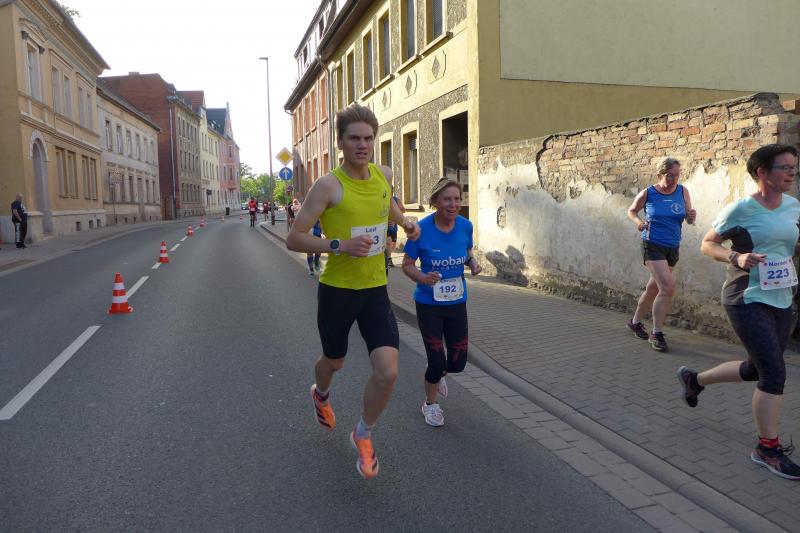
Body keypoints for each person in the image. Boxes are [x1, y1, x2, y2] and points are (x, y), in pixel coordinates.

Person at [286, 103, 420, 480]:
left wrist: (404, 222)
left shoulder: (384, 174)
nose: (362, 145)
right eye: (354, 139)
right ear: (341, 143)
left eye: (368, 138)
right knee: (334, 362)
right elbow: (294, 238)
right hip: (337, 291)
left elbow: (386, 204)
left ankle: (363, 433)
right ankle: (321, 393)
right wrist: (339, 245)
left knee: (388, 372)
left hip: (375, 289)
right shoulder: (328, 186)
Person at [678, 144, 800, 480]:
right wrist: (737, 257)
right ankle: (767, 449)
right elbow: (707, 243)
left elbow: (788, 245)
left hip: (782, 296)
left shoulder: (793, 206)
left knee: (754, 368)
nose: (792, 172)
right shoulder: (741, 210)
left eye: (794, 167)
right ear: (762, 172)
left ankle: (694, 380)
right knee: (773, 373)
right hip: (746, 297)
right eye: (785, 167)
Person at [402, 178, 481, 427]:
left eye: (457, 199)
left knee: (457, 362)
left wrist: (472, 263)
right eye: (447, 199)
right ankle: (430, 404)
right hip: (429, 304)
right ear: (435, 202)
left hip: (457, 302)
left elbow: (466, 251)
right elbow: (406, 265)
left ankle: (438, 370)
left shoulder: (466, 226)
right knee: (437, 363)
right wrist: (423, 278)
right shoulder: (421, 230)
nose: (453, 204)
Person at [626, 157, 696, 351]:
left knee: (653, 289)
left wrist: (691, 217)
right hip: (652, 244)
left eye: (677, 175)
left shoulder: (683, 191)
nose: (674, 179)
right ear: (660, 175)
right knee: (667, 288)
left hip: (672, 246)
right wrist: (639, 223)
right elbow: (631, 211)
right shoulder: (648, 193)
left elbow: (688, 218)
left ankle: (635, 322)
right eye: (669, 175)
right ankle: (656, 333)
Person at [385, 189, 406, 270]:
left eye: (391, 191)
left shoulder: (396, 200)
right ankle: (388, 260)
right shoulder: (381, 198)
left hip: (393, 227)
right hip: (385, 227)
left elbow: (403, 210)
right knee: (388, 242)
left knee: (393, 244)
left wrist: (395, 213)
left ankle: (388, 257)